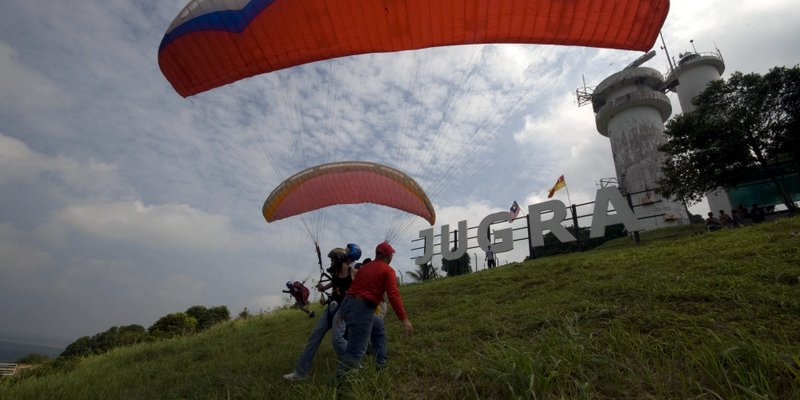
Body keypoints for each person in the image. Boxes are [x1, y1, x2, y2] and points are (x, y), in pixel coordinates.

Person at [283, 244, 361, 381]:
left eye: (332, 261)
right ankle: (300, 372)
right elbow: (335, 282)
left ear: (338, 261)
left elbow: (360, 291)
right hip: (331, 307)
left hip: (343, 308)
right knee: (314, 337)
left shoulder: (352, 272)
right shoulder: (336, 272)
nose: (330, 263)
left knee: (337, 339)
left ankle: (354, 364)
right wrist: (323, 287)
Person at [336, 241, 413, 380]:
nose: (392, 257)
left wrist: (342, 311)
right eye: (392, 255)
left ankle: (380, 365)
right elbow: (393, 295)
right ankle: (338, 387)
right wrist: (404, 319)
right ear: (388, 255)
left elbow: (353, 289)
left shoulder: (364, 268)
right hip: (362, 309)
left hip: (349, 304)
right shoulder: (387, 270)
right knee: (356, 351)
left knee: (378, 328)